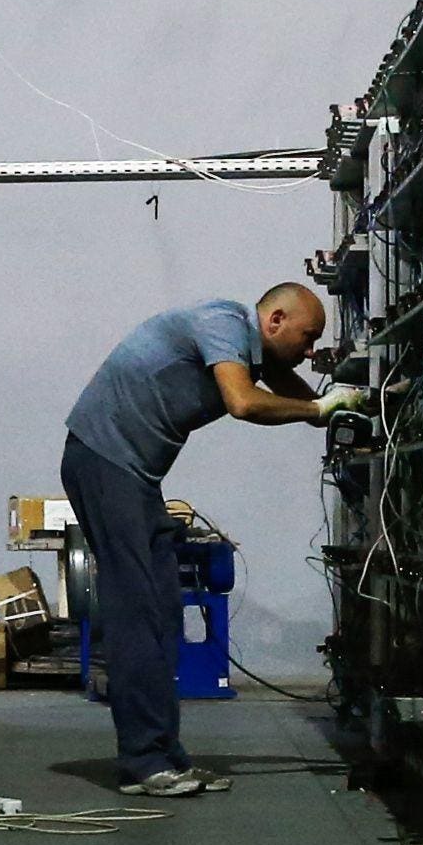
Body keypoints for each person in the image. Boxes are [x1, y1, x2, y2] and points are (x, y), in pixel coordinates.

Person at [57, 281, 359, 797]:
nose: (311, 352)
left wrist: (348, 405)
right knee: (139, 612)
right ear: (275, 321)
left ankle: (163, 757)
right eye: (308, 337)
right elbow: (243, 403)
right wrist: (319, 410)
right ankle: (144, 763)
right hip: (103, 460)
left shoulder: (250, 347)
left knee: (163, 610)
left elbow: (295, 392)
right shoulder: (223, 323)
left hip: (132, 475)